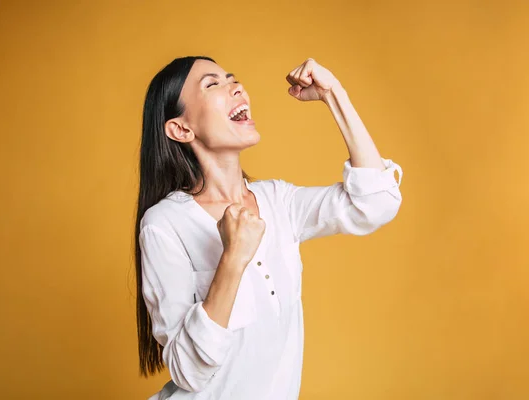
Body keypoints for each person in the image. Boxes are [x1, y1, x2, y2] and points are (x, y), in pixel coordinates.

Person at [135, 56, 403, 399]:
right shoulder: (165, 224)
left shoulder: (278, 201)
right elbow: (188, 371)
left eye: (233, 78)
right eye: (213, 84)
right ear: (181, 129)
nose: (237, 87)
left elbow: (376, 203)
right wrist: (232, 258)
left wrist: (334, 94)